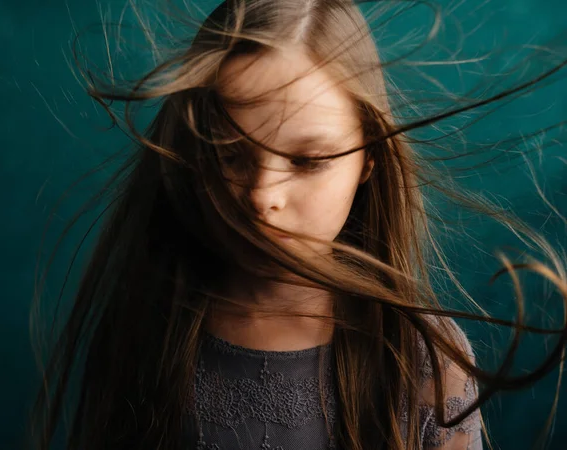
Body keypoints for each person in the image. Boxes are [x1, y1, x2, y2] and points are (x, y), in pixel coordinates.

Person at [28, 1, 567, 449]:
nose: (263, 197)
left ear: (370, 160)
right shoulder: (147, 325)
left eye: (308, 161)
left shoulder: (421, 359)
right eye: (230, 155)